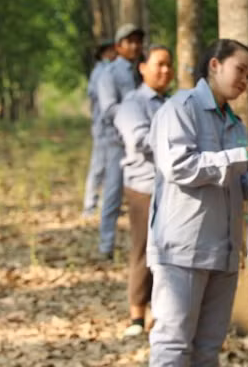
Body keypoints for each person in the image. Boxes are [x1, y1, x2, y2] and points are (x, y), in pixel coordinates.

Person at [146, 39, 248, 366]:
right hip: (182, 248)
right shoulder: (181, 108)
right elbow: (177, 165)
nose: (244, 81)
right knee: (173, 344)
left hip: (223, 252)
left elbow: (242, 182)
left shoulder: (235, 124)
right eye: (239, 69)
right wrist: (242, 156)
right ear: (214, 65)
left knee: (208, 348)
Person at [113, 44, 174, 338]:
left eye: (168, 65)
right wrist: (180, 147)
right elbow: (139, 141)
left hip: (174, 187)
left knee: (168, 251)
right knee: (142, 248)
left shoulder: (173, 104)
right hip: (143, 187)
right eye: (159, 64)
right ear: (142, 67)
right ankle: (136, 313)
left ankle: (159, 310)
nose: (165, 71)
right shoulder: (132, 104)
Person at [94, 23, 145, 259]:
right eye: (130, 42)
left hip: (143, 143)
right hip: (117, 142)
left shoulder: (142, 71)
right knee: (113, 193)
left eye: (138, 41)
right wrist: (134, 118)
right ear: (119, 46)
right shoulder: (109, 74)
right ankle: (106, 246)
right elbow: (109, 108)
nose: (135, 46)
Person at [83, 38, 116, 217]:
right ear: (104, 53)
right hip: (102, 127)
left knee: (108, 168)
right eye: (111, 51)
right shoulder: (101, 72)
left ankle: (103, 204)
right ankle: (89, 206)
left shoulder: (108, 70)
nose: (114, 54)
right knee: (98, 167)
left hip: (107, 128)